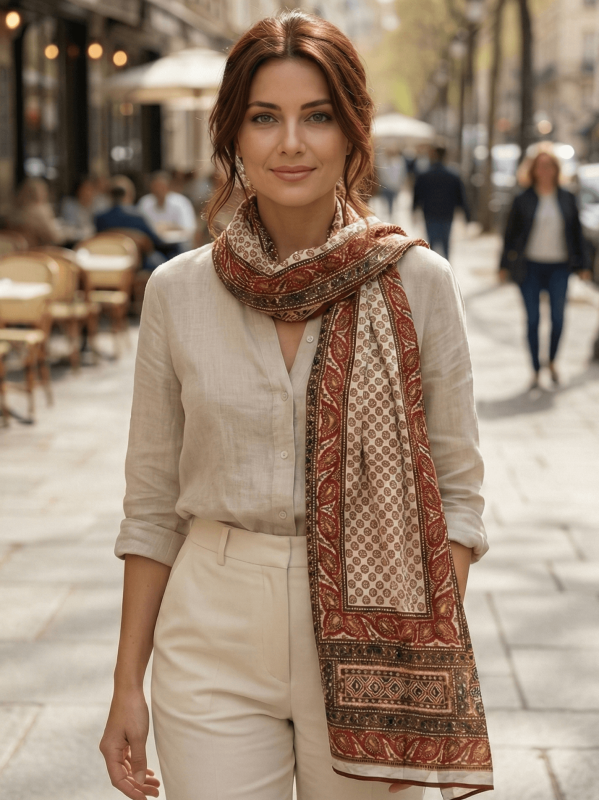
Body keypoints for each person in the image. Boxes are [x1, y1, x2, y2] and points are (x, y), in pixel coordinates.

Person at [100, 11, 493, 800]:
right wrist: (124, 685)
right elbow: (149, 506)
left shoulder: (418, 284)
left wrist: (413, 665)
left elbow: (458, 497)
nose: (290, 143)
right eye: (263, 118)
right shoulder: (177, 292)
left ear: (351, 132)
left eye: (316, 117)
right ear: (233, 137)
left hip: (372, 641)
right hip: (211, 618)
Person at [500, 149, 590, 388]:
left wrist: (583, 265)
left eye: (549, 165)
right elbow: (509, 235)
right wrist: (502, 265)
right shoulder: (522, 198)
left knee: (558, 319)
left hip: (559, 267)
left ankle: (551, 360)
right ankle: (535, 369)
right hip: (529, 267)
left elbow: (577, 233)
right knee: (532, 320)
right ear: (532, 170)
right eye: (540, 166)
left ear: (556, 169)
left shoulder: (568, 197)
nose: (544, 170)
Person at [95, 176, 176, 270]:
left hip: (107, 265)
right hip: (138, 266)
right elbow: (155, 241)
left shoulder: (99, 218)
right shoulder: (138, 217)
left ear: (109, 195)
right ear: (130, 194)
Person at [412, 146, 470, 259]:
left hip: (430, 214)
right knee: (446, 245)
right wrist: (467, 216)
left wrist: (414, 210)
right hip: (446, 215)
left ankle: (434, 269)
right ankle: (446, 271)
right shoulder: (453, 176)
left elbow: (417, 195)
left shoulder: (424, 175)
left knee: (432, 246)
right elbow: (461, 198)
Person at [138, 171, 197, 252]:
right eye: (155, 187)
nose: (158, 190)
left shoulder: (181, 203)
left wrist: (166, 227)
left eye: (161, 187)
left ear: (168, 188)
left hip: (177, 246)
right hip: (154, 246)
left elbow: (188, 229)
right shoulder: (145, 203)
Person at [8, 178, 64, 246]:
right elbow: (55, 237)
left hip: (20, 253)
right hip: (40, 252)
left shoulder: (15, 211)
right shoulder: (41, 210)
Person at [60, 176, 96, 241]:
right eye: (86, 189)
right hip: (74, 242)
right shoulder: (69, 205)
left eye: (91, 189)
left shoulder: (96, 205)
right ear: (78, 190)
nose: (89, 193)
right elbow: (69, 230)